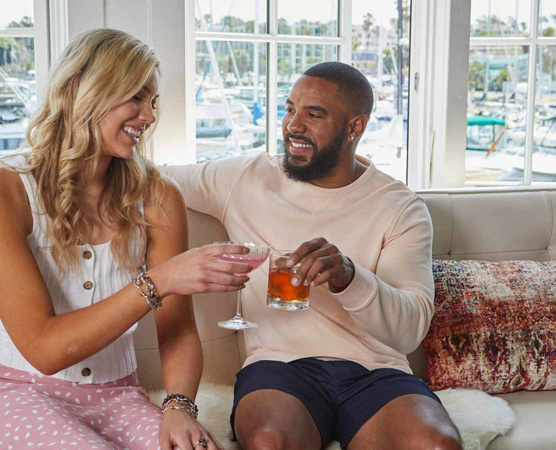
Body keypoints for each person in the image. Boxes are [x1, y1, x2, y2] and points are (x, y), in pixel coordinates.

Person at [0, 29, 253, 450]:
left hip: (116, 396)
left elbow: (179, 331)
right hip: (12, 390)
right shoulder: (1, 192)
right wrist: (160, 280)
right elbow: (44, 349)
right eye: (136, 97)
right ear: (81, 89)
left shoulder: (159, 197)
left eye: (152, 102)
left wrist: (179, 409)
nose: (149, 116)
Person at [160, 61, 462, 450]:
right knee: (271, 442)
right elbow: (154, 178)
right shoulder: (245, 177)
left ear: (355, 127)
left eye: (313, 114)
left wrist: (350, 278)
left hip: (377, 372)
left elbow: (409, 330)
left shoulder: (400, 207)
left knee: (438, 445)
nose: (292, 125)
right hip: (278, 368)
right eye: (289, 110)